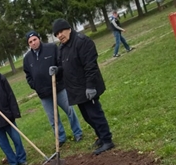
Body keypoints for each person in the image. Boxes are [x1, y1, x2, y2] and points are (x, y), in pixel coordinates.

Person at [51, 19, 115, 155]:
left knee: (95, 114)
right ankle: (100, 136)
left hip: (87, 86)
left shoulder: (82, 41)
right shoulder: (62, 48)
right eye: (56, 34)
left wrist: (91, 86)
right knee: (87, 117)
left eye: (61, 31)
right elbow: (65, 66)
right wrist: (57, 71)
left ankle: (107, 140)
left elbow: (90, 65)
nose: (59, 36)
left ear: (68, 29)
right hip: (76, 89)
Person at [23, 30, 83, 145]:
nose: (33, 43)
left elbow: (61, 63)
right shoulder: (27, 59)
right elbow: (28, 75)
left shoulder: (51, 48)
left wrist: (58, 71)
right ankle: (60, 138)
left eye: (35, 39)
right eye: (30, 42)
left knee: (70, 111)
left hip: (58, 87)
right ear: (29, 44)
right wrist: (35, 85)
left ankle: (78, 133)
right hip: (43, 94)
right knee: (53, 119)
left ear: (39, 39)